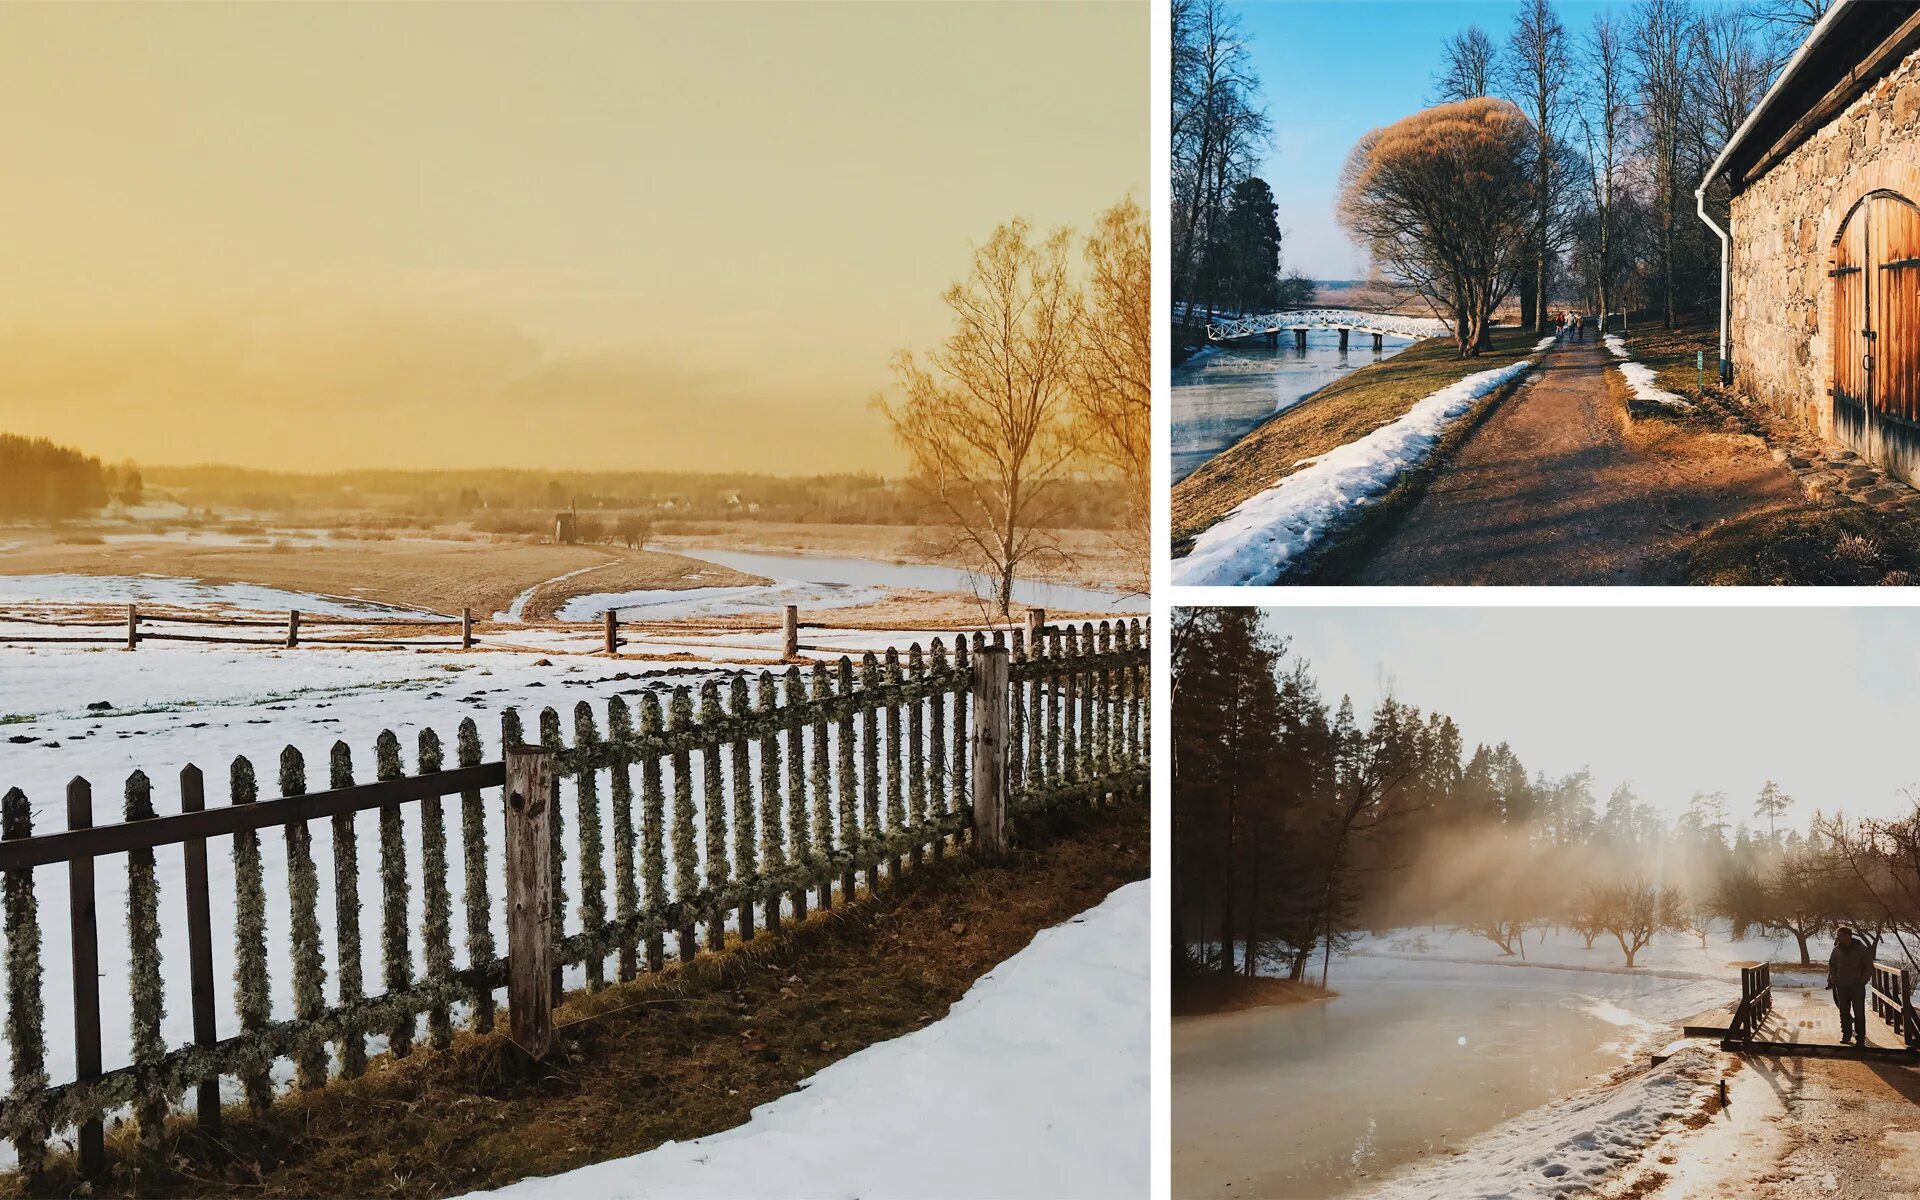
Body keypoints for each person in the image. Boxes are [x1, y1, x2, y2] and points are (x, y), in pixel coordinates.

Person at [1827, 924, 1874, 1046]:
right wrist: (1834, 978)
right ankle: (1846, 1034)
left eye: (1840, 936)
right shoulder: (1836, 949)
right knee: (1843, 1011)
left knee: (1859, 1012)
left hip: (1857, 985)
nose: (1838, 938)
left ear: (1848, 936)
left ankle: (1860, 1038)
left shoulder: (1861, 949)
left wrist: (1863, 980)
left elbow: (1869, 965)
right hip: (1841, 985)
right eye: (1837, 936)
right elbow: (1832, 964)